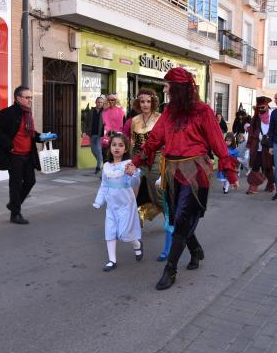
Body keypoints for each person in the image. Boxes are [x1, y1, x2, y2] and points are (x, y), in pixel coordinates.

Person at [125, 67, 239, 290]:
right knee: (178, 219)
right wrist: (135, 162)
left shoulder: (203, 111)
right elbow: (154, 140)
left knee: (183, 216)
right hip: (171, 171)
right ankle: (195, 250)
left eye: (168, 86)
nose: (165, 90)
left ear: (179, 88)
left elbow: (218, 143)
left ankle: (171, 269)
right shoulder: (169, 112)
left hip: (194, 172)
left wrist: (231, 173)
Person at [0, 86, 56, 225]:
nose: (30, 100)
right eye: (27, 97)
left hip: (27, 155)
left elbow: (30, 134)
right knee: (15, 184)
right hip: (14, 155)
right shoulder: (8, 113)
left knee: (31, 181)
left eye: (31, 97)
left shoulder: (27, 114)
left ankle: (14, 204)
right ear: (18, 98)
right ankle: (15, 214)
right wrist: (9, 145)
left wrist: (43, 136)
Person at [93, 133, 143, 272]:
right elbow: (104, 185)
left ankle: (137, 244)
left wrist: (133, 174)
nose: (117, 148)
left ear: (126, 149)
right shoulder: (107, 166)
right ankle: (112, 260)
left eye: (121, 145)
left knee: (124, 232)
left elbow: (135, 181)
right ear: (110, 147)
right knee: (110, 230)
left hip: (126, 203)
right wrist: (99, 201)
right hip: (111, 205)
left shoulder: (128, 164)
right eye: (114, 145)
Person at [129, 88, 162, 226]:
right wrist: (131, 161)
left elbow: (164, 140)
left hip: (156, 159)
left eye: (148, 101)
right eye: (142, 101)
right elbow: (132, 141)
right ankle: (138, 214)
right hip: (139, 158)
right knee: (133, 189)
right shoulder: (134, 120)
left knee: (158, 193)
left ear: (153, 102)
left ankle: (169, 218)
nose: (145, 104)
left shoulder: (159, 118)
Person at [246, 96, 275, 194]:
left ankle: (271, 183)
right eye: (259, 107)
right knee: (255, 165)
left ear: (267, 106)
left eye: (262, 107)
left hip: (268, 146)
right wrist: (249, 144)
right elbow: (252, 131)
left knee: (267, 167)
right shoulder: (256, 117)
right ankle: (253, 186)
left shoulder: (273, 116)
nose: (260, 109)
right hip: (257, 146)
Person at [81, 96, 105, 174]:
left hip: (100, 135)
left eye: (101, 102)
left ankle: (98, 167)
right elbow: (84, 122)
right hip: (91, 134)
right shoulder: (90, 112)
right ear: (95, 102)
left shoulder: (105, 112)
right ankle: (100, 161)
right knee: (93, 151)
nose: (99, 104)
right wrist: (84, 131)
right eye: (98, 102)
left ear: (103, 103)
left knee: (98, 150)